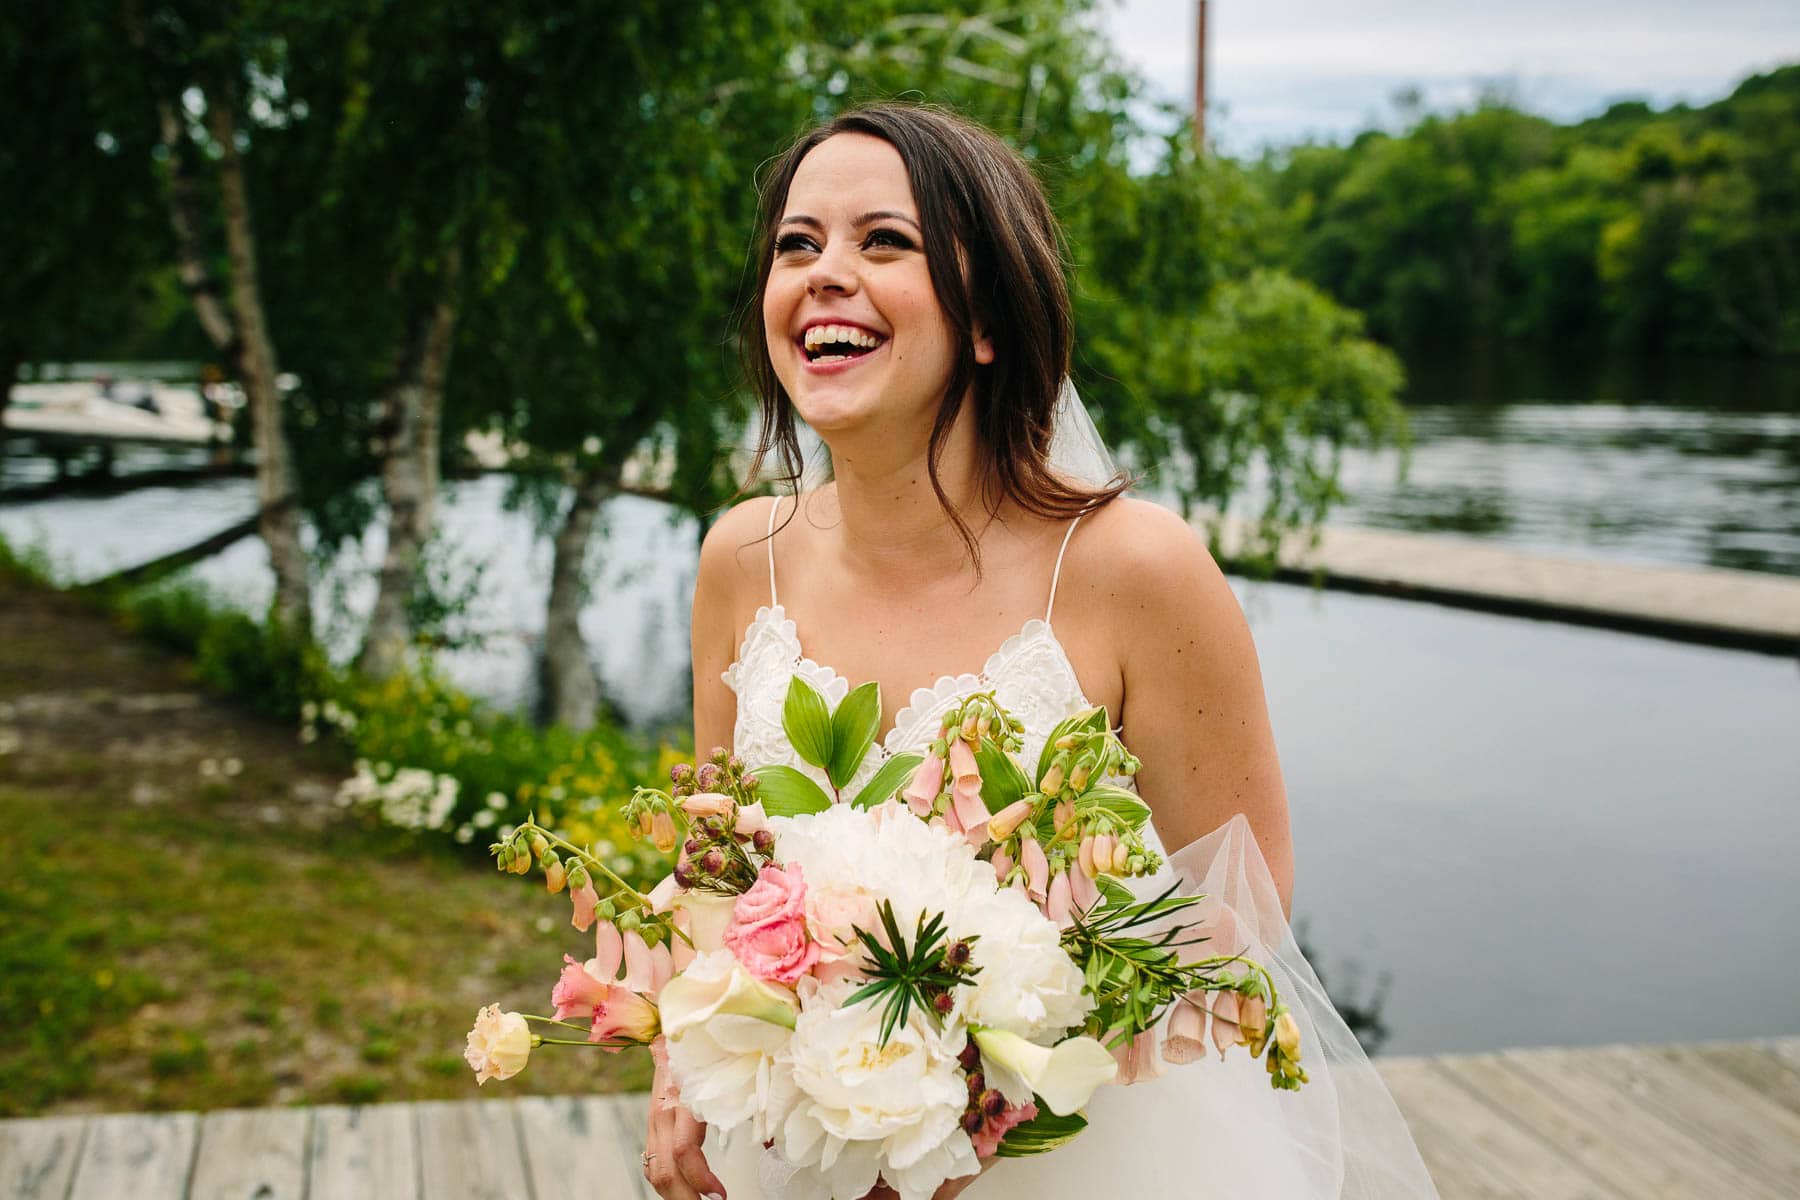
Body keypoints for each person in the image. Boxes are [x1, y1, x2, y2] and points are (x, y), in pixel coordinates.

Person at [644, 103, 1438, 1200]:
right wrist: (681, 1056)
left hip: (1082, 1156)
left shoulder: (1137, 570)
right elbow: (720, 866)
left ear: (988, 320)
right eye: (796, 244)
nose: (824, 273)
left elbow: (1241, 918)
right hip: (799, 1144)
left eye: (886, 240)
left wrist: (978, 1112)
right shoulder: (742, 556)